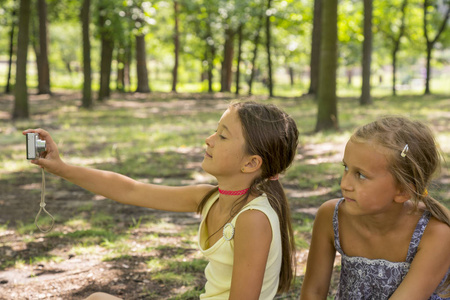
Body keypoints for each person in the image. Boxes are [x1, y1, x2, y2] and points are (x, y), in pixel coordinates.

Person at [24, 101, 299, 300]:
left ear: (251, 163)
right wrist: (61, 168)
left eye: (222, 135)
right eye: (215, 130)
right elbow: (130, 190)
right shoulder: (210, 197)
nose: (209, 139)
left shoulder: (253, 219)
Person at [300, 116, 450, 299]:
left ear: (403, 191)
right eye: (346, 167)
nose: (345, 184)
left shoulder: (436, 234)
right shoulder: (332, 216)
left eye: (361, 175)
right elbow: (313, 292)